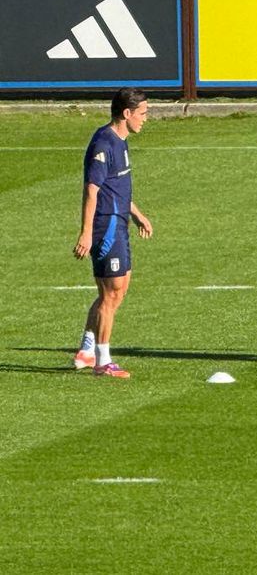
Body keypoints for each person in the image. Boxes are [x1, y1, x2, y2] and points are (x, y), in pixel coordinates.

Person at [72, 88, 154, 378]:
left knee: (116, 293)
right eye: (143, 113)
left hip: (119, 222)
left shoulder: (121, 141)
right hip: (105, 226)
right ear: (127, 113)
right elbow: (92, 190)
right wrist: (86, 233)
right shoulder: (104, 144)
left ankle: (86, 349)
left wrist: (138, 214)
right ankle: (103, 362)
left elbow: (115, 188)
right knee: (111, 293)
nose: (146, 118)